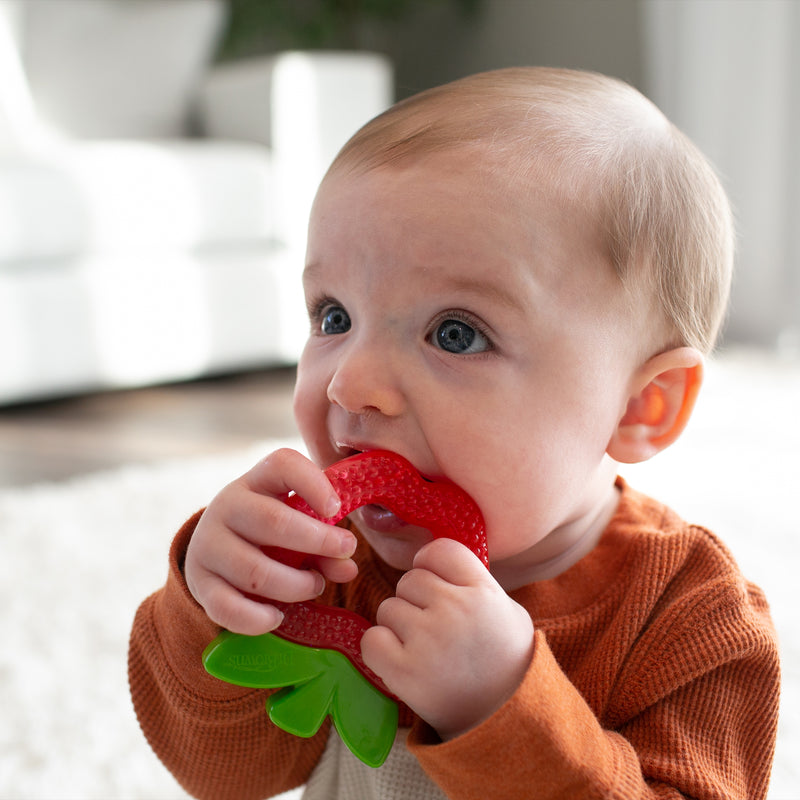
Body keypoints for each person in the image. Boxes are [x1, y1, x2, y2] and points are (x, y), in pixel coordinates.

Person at [128, 67, 779, 800]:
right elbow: (222, 775)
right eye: (334, 316)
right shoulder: (332, 567)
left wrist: (502, 705)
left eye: (456, 333)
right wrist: (214, 606)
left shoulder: (695, 623)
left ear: (642, 405)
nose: (350, 384)